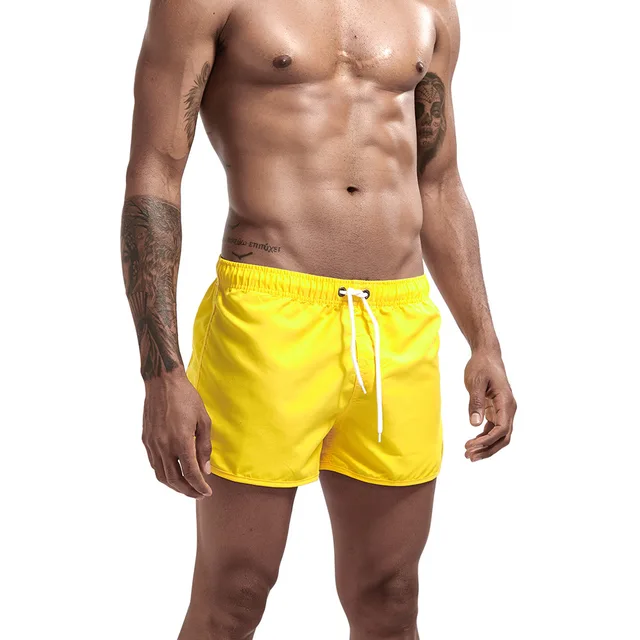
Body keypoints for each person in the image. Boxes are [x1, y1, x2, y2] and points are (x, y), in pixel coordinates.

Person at [120, 0, 517, 637]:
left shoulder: (429, 8)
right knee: (236, 593)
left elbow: (439, 183)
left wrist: (484, 340)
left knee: (391, 594)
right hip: (267, 316)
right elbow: (156, 175)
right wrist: (161, 372)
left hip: (397, 322)